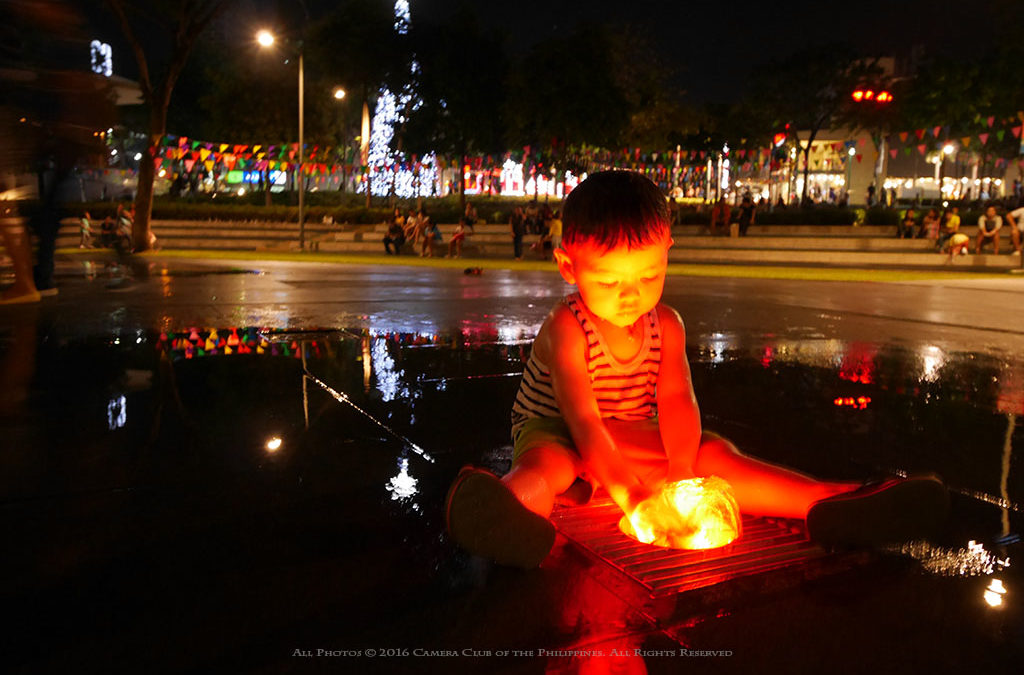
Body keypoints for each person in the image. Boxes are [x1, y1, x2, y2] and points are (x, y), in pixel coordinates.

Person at [444, 170, 949, 569]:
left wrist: (682, 471)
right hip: (556, 431)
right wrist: (633, 496)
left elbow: (677, 401)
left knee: (713, 453)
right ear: (568, 267)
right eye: (609, 280)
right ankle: (501, 508)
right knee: (550, 468)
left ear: (667, 254)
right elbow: (583, 422)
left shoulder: (668, 325)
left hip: (629, 435)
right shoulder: (566, 326)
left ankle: (833, 502)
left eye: (649, 275)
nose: (631, 294)